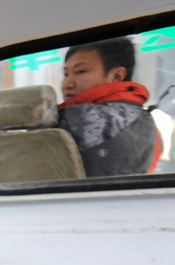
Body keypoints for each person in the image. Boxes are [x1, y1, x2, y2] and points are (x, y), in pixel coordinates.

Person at [57, 36, 161, 177]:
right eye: (66, 74)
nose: (67, 84)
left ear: (117, 76)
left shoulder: (75, 118)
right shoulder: (149, 125)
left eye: (80, 71)